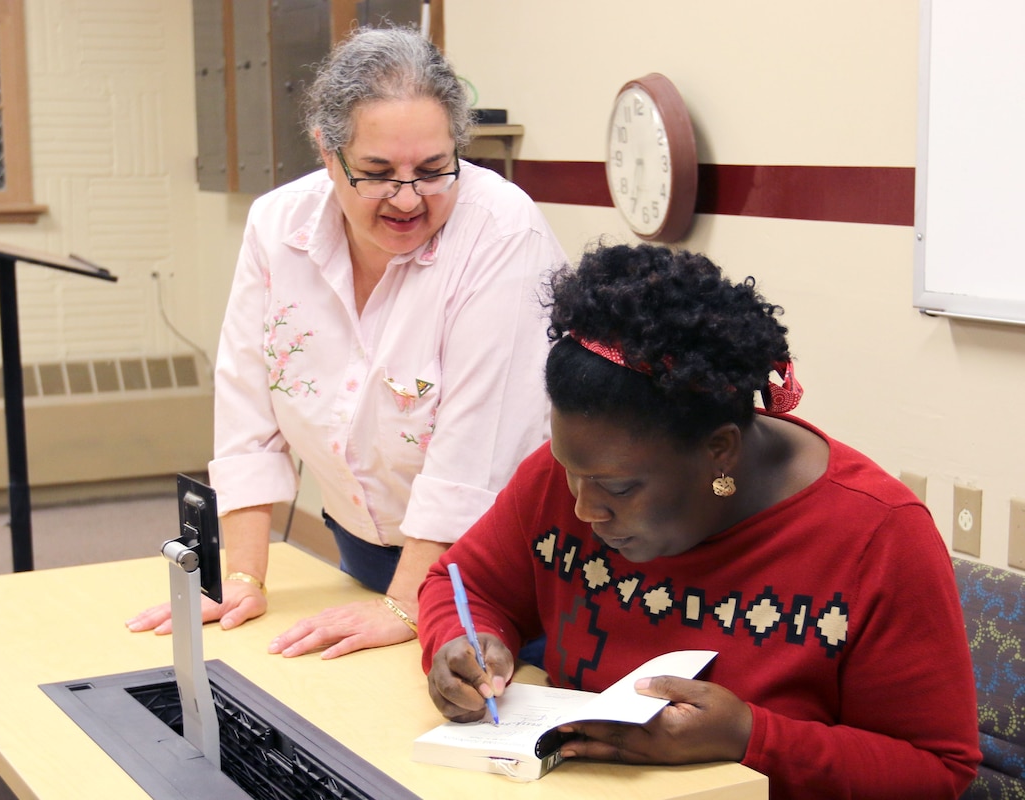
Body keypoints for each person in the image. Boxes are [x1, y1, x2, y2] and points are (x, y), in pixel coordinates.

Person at [418, 243, 980, 798]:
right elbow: (461, 585)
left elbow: (936, 772)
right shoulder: (570, 473)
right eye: (569, 470)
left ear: (720, 451)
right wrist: (467, 643)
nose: (584, 509)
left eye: (618, 488)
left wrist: (749, 737)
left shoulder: (877, 536)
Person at [126, 25, 564, 659]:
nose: (408, 198)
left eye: (435, 170)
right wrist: (241, 578)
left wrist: (409, 602)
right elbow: (248, 405)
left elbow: (477, 449)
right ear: (327, 152)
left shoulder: (502, 232)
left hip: (497, 561)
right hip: (365, 542)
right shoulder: (279, 226)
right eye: (378, 173)